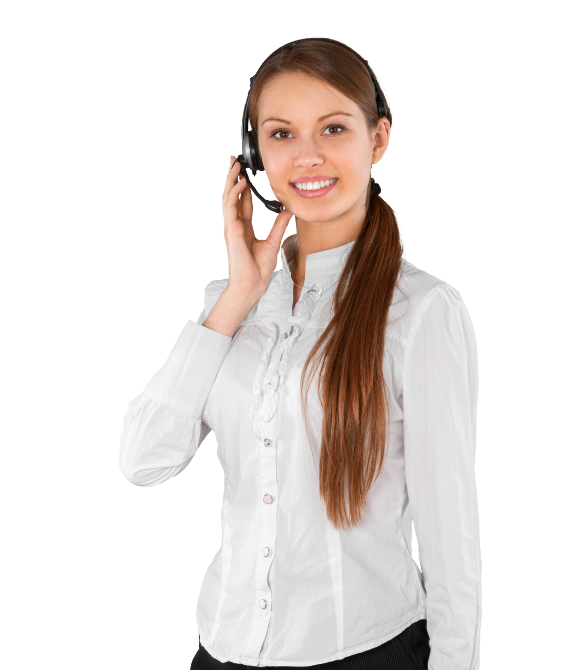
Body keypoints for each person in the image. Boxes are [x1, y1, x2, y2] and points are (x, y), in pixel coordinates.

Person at [118, 37, 481, 669]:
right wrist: (237, 297)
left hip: (361, 652)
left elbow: (448, 524)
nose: (307, 155)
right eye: (282, 134)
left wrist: (457, 661)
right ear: (254, 154)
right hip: (222, 650)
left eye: (333, 128)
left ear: (378, 139)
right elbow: (144, 462)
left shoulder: (423, 311)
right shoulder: (228, 301)